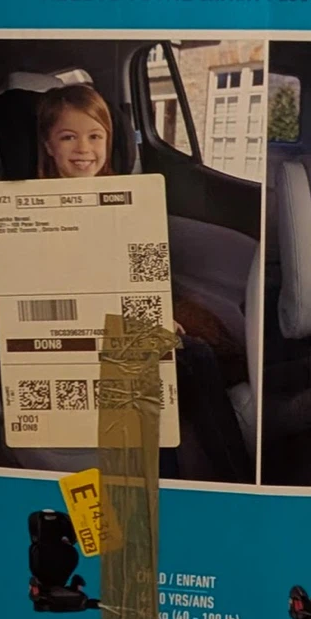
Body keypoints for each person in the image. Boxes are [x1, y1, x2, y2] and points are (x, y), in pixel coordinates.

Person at [34, 84, 252, 483]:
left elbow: (144, 275)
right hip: (72, 334)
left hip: (128, 328)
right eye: (68, 137)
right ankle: (217, 480)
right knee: (173, 365)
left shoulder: (126, 201)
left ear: (108, 141)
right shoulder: (33, 213)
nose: (84, 149)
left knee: (190, 356)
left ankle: (228, 482)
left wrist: (157, 314)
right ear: (49, 145)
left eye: (95, 136)